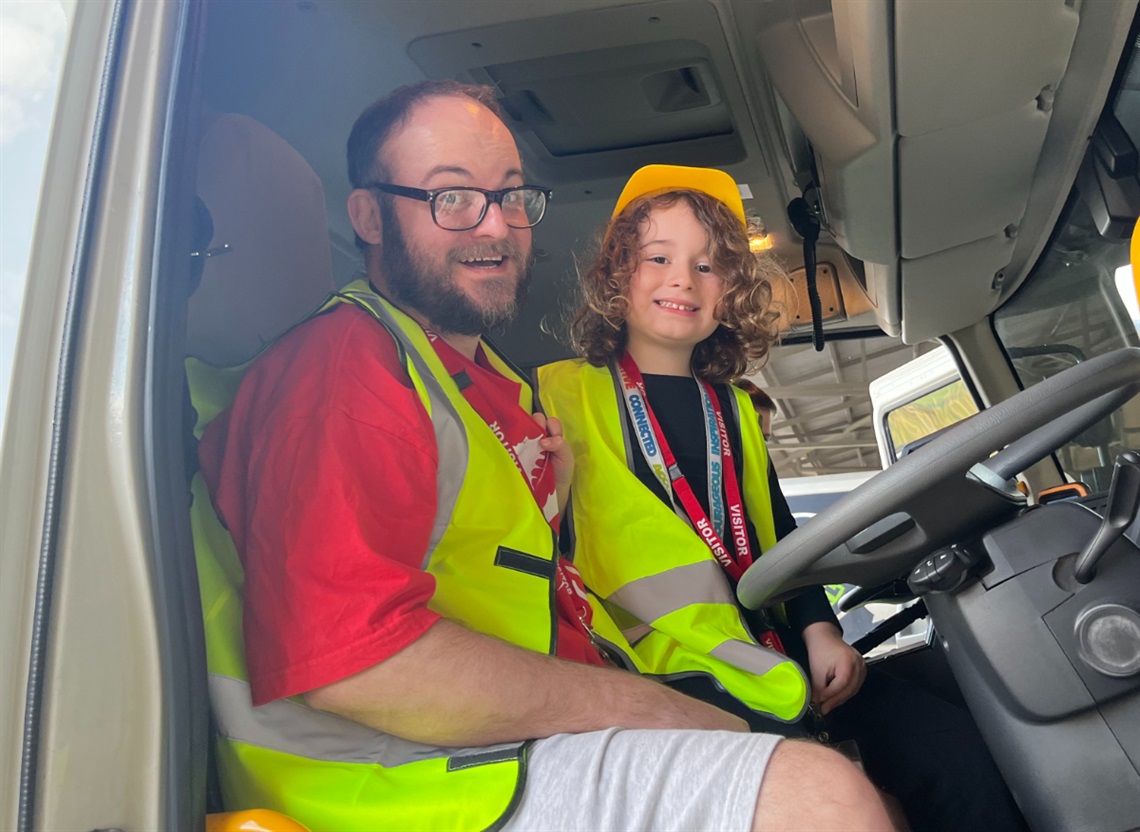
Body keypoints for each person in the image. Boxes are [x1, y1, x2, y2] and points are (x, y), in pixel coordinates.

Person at [194, 81, 893, 831]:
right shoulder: (341, 370)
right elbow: (357, 660)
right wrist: (651, 708)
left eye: (511, 196)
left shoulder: (481, 384)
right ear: (367, 215)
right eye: (450, 197)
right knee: (822, 797)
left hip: (494, 742)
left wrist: (554, 507)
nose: (494, 226)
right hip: (399, 781)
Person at [538, 164, 1027, 832]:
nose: (683, 279)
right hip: (659, 677)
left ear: (730, 293)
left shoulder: (735, 413)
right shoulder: (555, 399)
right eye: (658, 258)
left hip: (773, 658)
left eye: (709, 267)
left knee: (955, 752)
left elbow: (778, 549)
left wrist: (822, 633)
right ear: (616, 273)